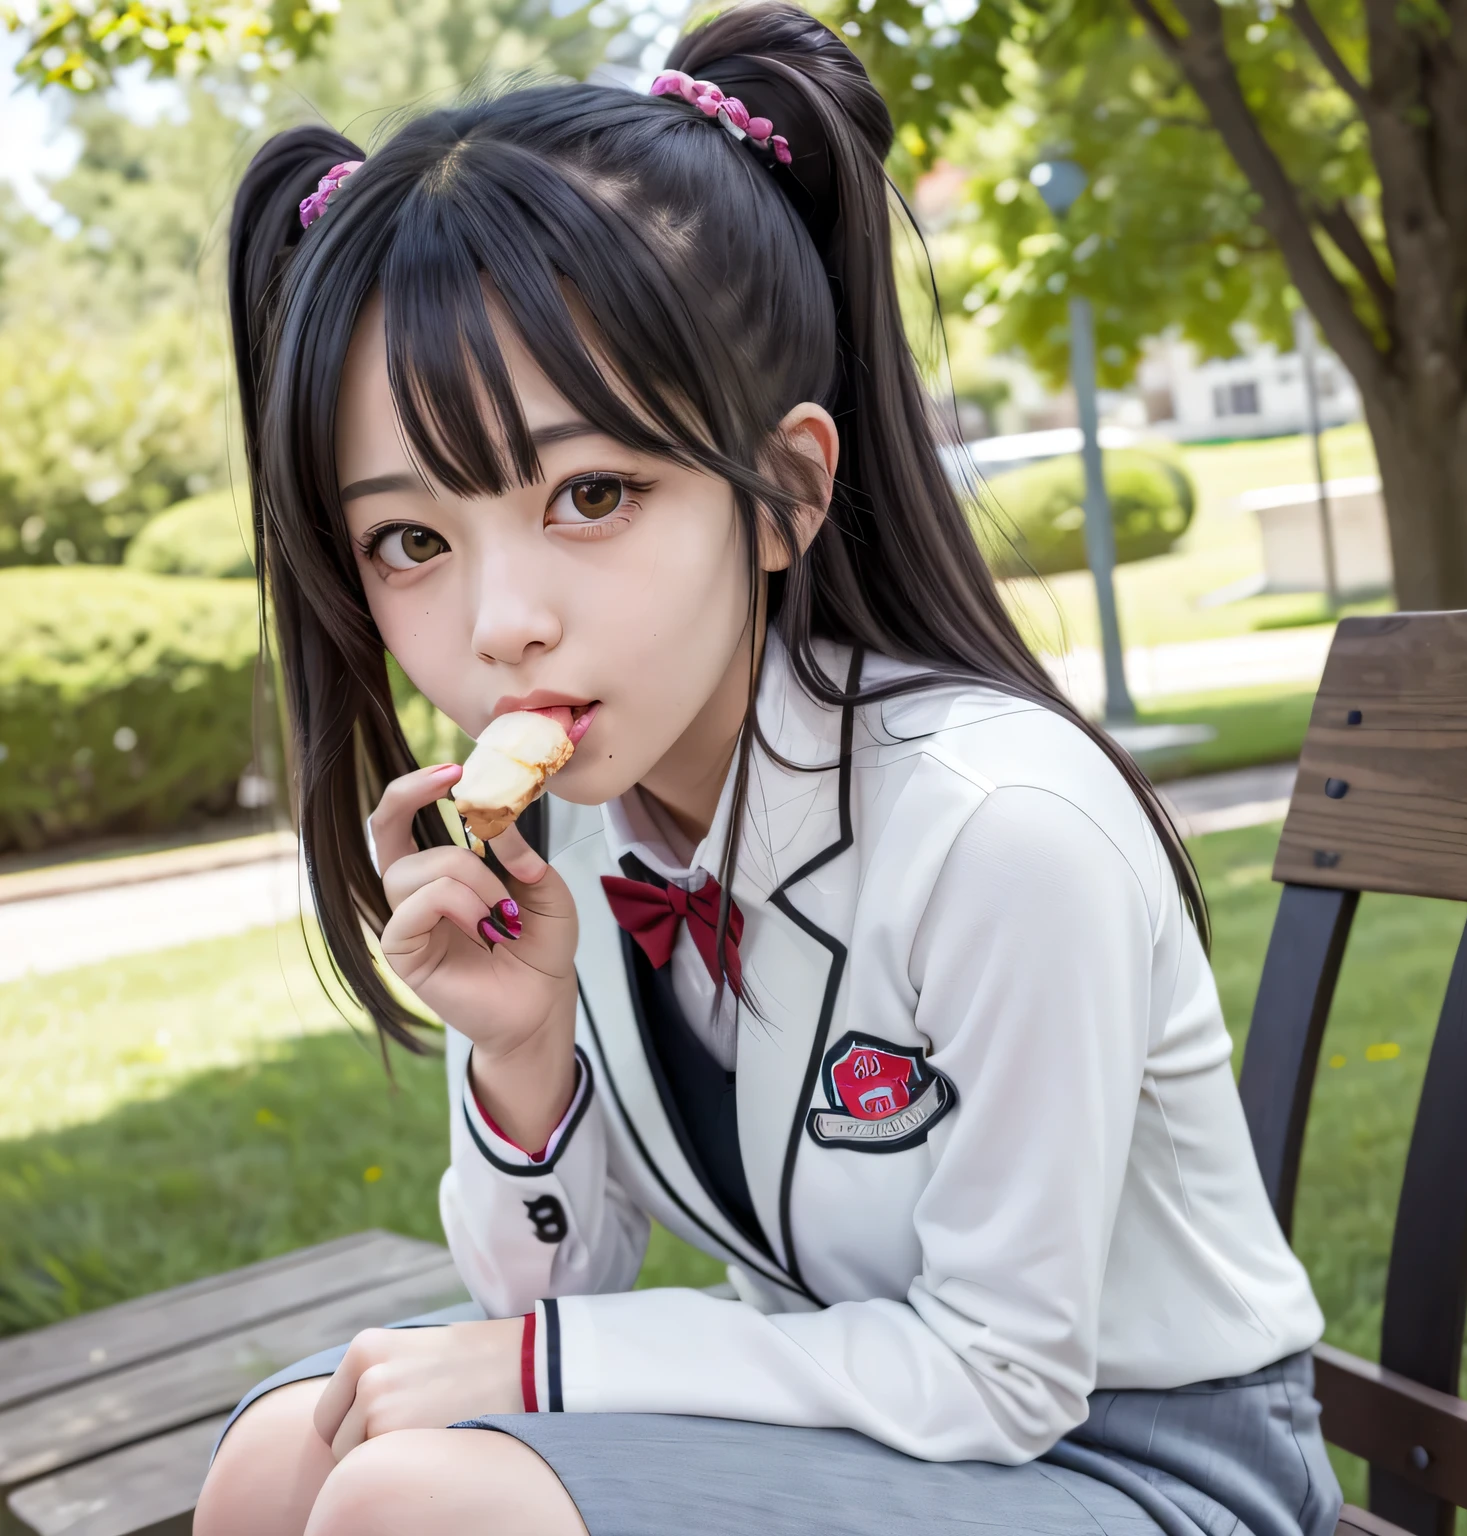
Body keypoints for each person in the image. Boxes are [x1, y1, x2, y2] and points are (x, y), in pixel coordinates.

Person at [194, 7, 1342, 1533]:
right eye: (412, 539)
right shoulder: (592, 829)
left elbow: (1004, 1374)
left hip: (1143, 1471)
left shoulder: (1002, 831)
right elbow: (550, 1282)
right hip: (872, 1431)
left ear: (784, 491)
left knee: (418, 1493)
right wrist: (523, 1061)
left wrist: (545, 1363)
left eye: (590, 491)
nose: (498, 623)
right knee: (294, 1454)